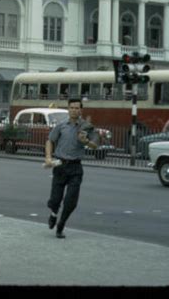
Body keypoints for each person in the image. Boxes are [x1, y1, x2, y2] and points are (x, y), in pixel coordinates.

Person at [44, 98, 98, 238]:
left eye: (77, 108)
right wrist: (48, 157)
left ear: (81, 110)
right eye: (72, 108)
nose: (74, 110)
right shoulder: (61, 125)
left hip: (75, 167)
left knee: (71, 201)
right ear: (68, 109)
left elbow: (95, 144)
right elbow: (50, 140)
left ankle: (61, 224)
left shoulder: (86, 127)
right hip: (60, 165)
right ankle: (54, 214)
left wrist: (86, 142)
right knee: (55, 199)